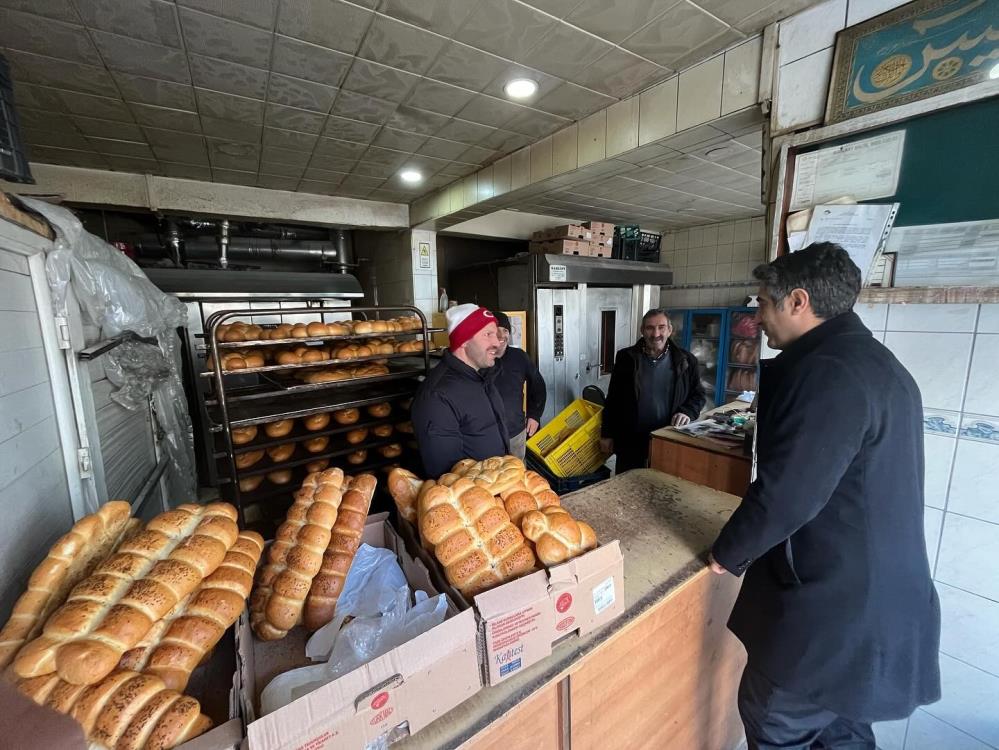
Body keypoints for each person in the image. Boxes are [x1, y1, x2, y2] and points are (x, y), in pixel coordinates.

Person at [709, 243, 940, 750]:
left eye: (763, 303)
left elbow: (790, 492)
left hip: (829, 616)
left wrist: (727, 553)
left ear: (797, 302)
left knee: (776, 724)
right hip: (869, 614)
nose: (758, 318)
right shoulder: (878, 365)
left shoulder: (829, 372)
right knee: (843, 732)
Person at [599, 308, 705, 473]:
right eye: (650, 328)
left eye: (661, 327)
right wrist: (606, 434)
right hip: (631, 439)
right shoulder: (626, 358)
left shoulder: (686, 360)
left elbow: (698, 395)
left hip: (667, 438)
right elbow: (614, 399)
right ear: (642, 331)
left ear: (670, 330)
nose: (656, 334)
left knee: (662, 488)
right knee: (627, 488)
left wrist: (687, 412)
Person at [412, 304, 508, 477]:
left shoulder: (482, 377)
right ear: (463, 341)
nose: (496, 342)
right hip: (474, 501)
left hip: (497, 488)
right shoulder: (437, 396)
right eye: (488, 335)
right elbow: (445, 476)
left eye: (495, 334)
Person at [491, 311, 546, 460]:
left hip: (516, 433)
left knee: (518, 476)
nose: (501, 336)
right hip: (487, 437)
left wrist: (535, 415)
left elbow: (538, 385)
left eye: (505, 330)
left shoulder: (519, 357)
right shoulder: (480, 360)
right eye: (495, 331)